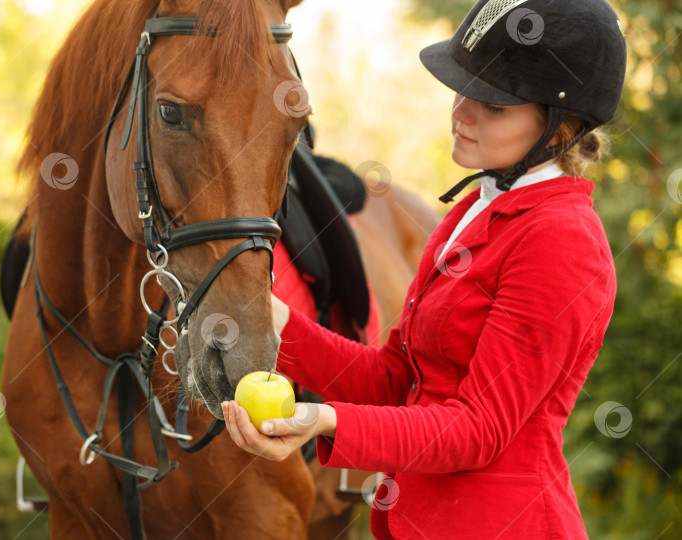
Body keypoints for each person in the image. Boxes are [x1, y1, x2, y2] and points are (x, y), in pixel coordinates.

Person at [221, 0, 627, 537]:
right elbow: (395, 379)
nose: (460, 111)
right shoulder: (475, 208)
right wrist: (275, 321)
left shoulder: (563, 240)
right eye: (464, 89)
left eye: (493, 104)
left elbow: (479, 428)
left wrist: (327, 420)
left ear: (558, 129)